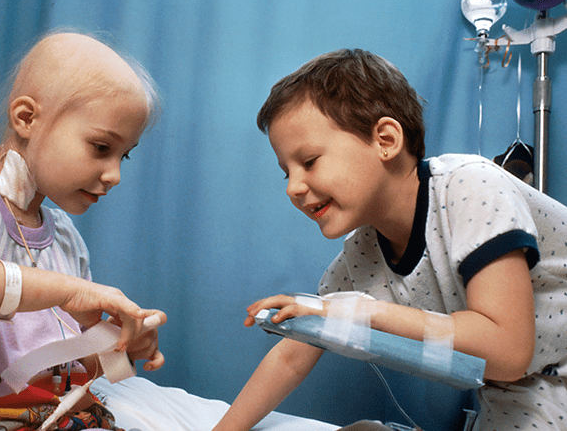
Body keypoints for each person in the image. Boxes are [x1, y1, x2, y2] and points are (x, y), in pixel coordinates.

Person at [213, 49, 567, 431]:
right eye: (287, 173)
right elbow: (293, 356)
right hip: (517, 392)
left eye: (310, 161)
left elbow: (509, 350)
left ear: (385, 139)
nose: (294, 188)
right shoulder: (361, 255)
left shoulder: (470, 187)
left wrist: (366, 312)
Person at [0, 32, 166, 430]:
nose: (115, 175)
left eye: (123, 155)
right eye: (100, 147)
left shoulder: (65, 239)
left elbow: (66, 370)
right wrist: (68, 290)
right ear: (26, 118)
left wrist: (119, 347)